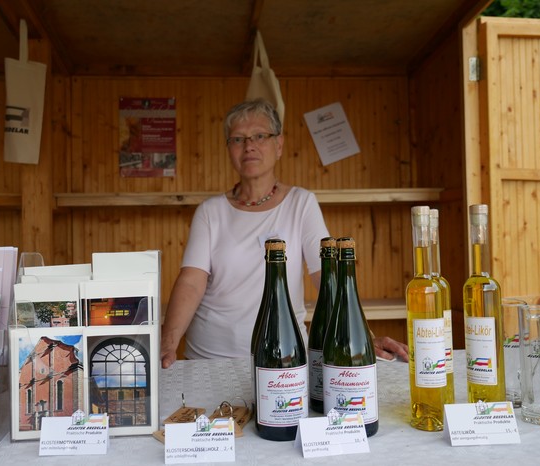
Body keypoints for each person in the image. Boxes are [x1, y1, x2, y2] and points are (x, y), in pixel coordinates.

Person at [160, 99, 409, 368]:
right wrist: (167, 342)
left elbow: (326, 276)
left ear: (279, 145)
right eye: (238, 139)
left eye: (259, 136)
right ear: (229, 149)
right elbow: (191, 282)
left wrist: (361, 335)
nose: (249, 145)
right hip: (210, 359)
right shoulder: (210, 211)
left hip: (286, 358)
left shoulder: (301, 203)